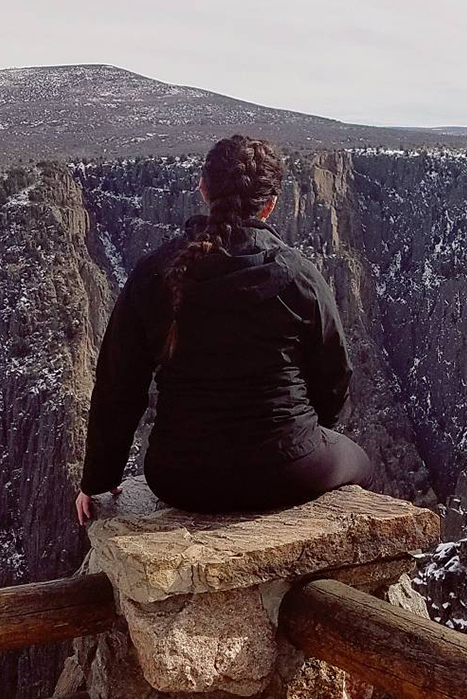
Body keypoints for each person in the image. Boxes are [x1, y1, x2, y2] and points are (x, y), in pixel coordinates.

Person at [74, 135, 373, 524]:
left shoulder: (156, 272)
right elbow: (334, 376)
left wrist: (99, 478)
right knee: (362, 464)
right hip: (289, 470)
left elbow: (119, 383)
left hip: (181, 477)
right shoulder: (299, 275)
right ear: (271, 204)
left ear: (203, 188)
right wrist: (305, 435)